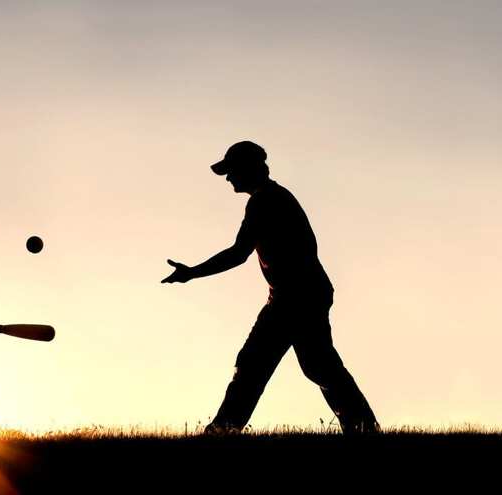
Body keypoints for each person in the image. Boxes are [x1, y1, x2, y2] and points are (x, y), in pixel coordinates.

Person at [162, 141, 379, 435]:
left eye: (231, 171)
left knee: (255, 364)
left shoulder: (265, 201)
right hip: (301, 294)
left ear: (249, 169)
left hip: (294, 298)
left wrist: (192, 273)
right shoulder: (272, 198)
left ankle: (223, 430)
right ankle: (363, 427)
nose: (228, 179)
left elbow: (239, 253)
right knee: (317, 365)